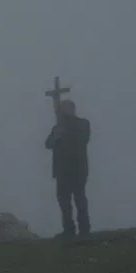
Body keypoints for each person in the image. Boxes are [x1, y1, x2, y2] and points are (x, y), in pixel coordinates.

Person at [46, 99, 93, 237]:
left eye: (67, 108)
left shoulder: (82, 123)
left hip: (77, 168)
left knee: (79, 199)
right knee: (64, 201)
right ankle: (68, 229)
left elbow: (83, 139)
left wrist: (63, 132)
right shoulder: (57, 127)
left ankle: (84, 228)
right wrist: (56, 136)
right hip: (61, 170)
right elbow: (48, 144)